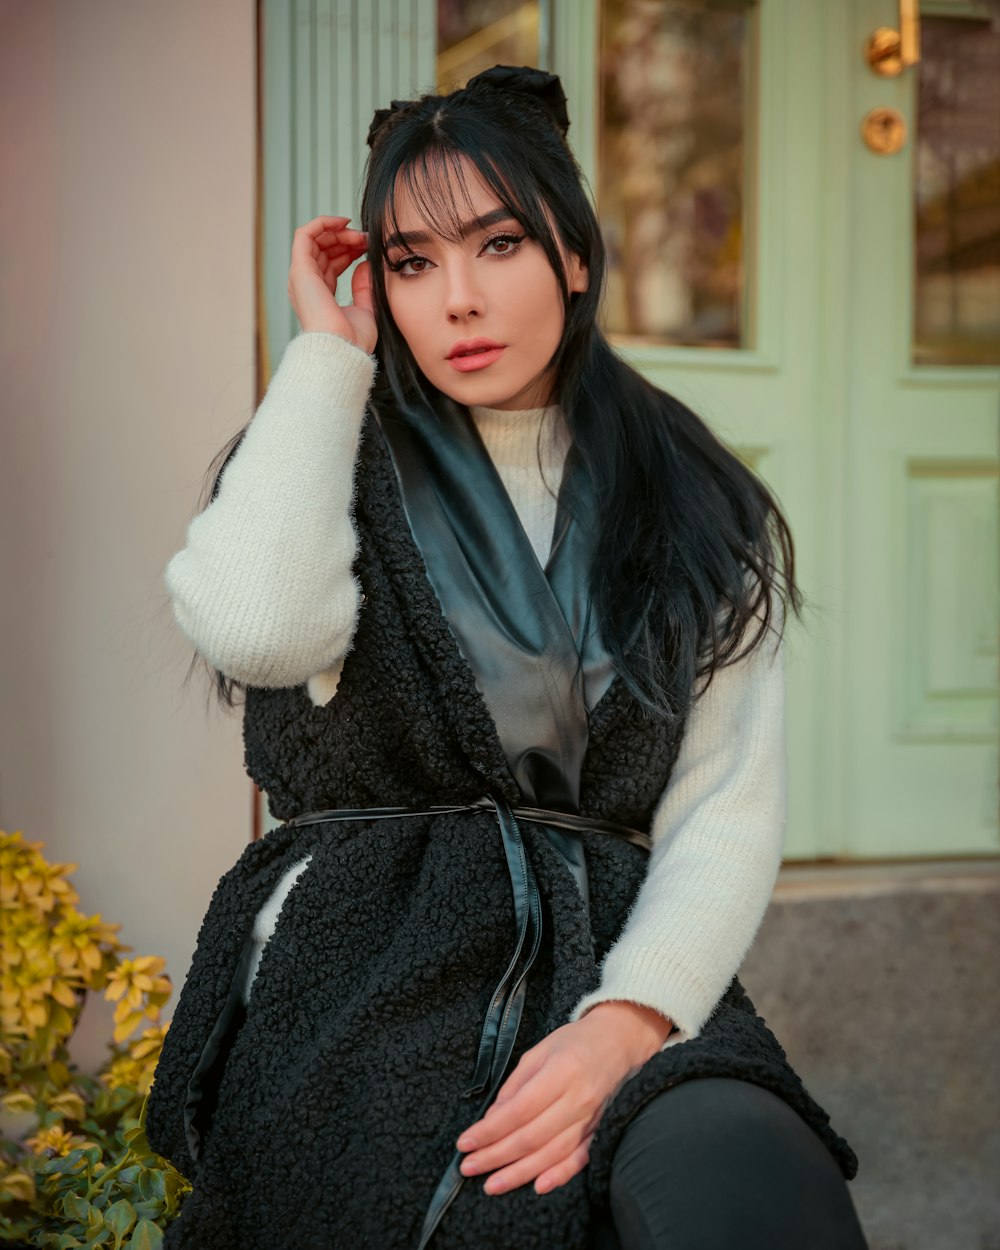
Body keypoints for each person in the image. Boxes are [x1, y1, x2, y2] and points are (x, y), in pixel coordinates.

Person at [146, 65, 869, 1250]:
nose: (458, 302)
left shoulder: (695, 498)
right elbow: (258, 628)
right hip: (367, 973)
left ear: (574, 257)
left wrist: (625, 1022)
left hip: (616, 961)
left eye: (498, 244)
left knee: (754, 1186)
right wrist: (327, 361)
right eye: (412, 262)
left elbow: (724, 806)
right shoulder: (321, 450)